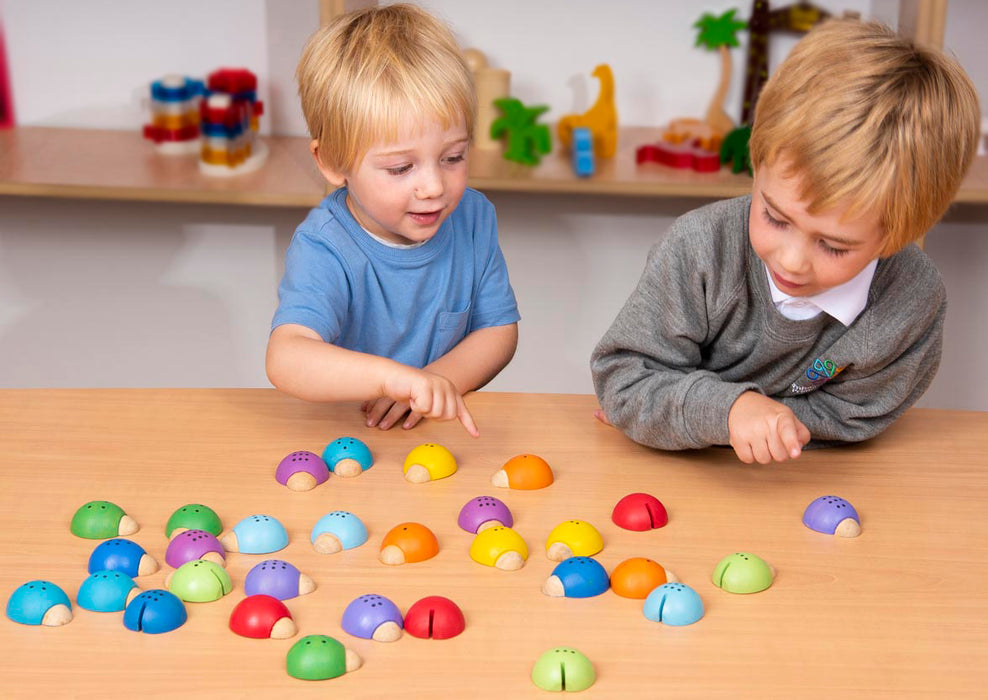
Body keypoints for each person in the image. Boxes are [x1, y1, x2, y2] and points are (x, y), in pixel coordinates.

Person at [591, 19, 980, 464]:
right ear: (757, 168)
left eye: (834, 246)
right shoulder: (701, 247)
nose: (792, 261)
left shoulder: (911, 297)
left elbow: (856, 416)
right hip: (679, 471)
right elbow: (625, 380)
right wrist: (727, 413)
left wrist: (725, 415)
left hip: (806, 478)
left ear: (898, 234)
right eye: (775, 217)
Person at [267, 4, 520, 437]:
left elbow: (498, 329)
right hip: (348, 435)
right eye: (401, 168)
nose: (433, 187)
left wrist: (437, 383)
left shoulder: (474, 216)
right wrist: (392, 379)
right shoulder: (324, 245)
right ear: (330, 161)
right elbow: (286, 357)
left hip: (435, 434)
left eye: (453, 157)